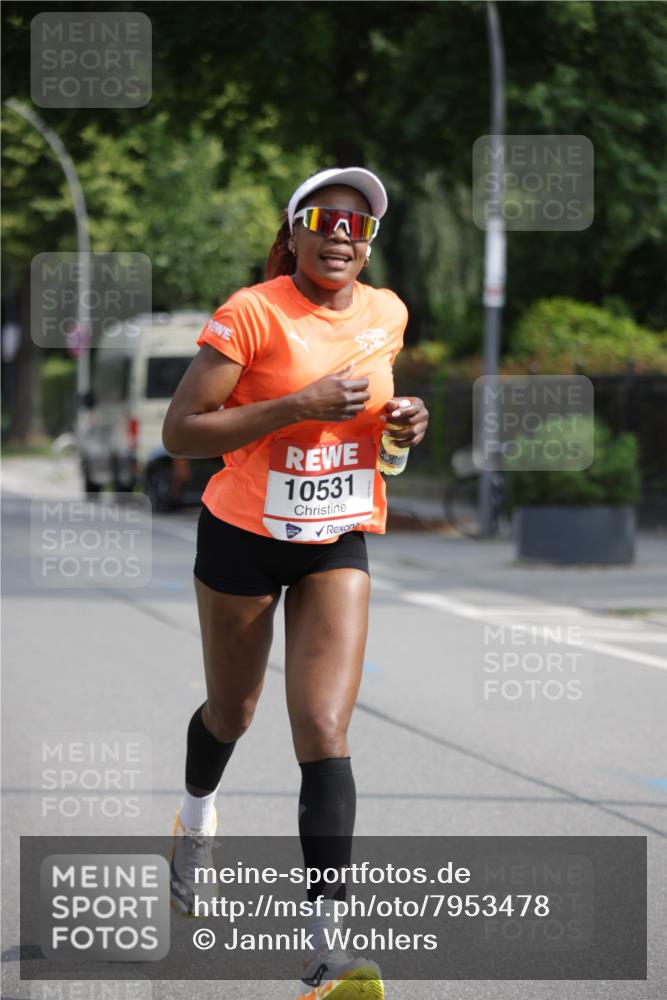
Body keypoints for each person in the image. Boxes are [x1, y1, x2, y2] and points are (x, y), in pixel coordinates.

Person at [162, 166, 429, 999]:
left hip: (335, 537)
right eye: (325, 218)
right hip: (241, 536)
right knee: (232, 712)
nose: (343, 233)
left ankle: (326, 953)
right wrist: (298, 403)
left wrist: (404, 430)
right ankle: (197, 816)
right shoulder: (252, 312)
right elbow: (182, 433)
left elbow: (380, 445)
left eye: (360, 224)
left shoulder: (387, 314)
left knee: (322, 725)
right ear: (296, 230)